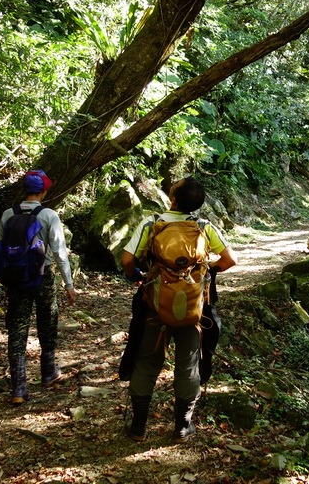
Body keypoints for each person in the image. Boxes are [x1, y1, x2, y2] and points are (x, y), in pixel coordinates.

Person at [120, 177, 237, 444]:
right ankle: (182, 427)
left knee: (147, 361)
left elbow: (127, 260)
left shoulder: (153, 224)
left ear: (173, 198)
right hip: (194, 307)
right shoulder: (204, 227)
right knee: (188, 363)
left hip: (155, 306)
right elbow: (231, 259)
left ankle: (138, 427)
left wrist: (136, 275)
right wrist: (207, 272)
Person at [0, 169, 77, 405]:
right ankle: (48, 372)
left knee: (18, 328)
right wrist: (69, 285)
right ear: (43, 191)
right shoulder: (49, 215)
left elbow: (1, 249)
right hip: (43, 277)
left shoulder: (7, 214)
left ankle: (18, 388)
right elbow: (60, 253)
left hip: (16, 279)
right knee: (47, 321)